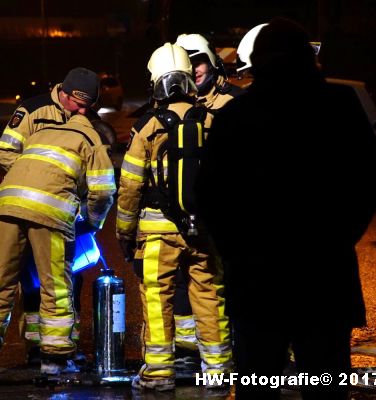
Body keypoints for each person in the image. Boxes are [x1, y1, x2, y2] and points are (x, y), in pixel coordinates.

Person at [195, 18, 376, 400]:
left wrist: (237, 254)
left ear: (259, 61)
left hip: (256, 282)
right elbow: (370, 185)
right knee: (326, 382)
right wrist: (338, 238)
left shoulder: (236, 115)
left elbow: (211, 197)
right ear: (307, 57)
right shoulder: (339, 105)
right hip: (324, 276)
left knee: (259, 383)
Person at [116, 43, 231, 391]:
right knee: (210, 294)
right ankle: (217, 371)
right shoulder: (212, 120)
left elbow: (130, 188)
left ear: (157, 83)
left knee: (157, 298)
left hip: (157, 232)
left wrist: (124, 234)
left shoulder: (147, 126)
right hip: (204, 229)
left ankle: (159, 373)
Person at [0, 95, 116, 377]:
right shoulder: (91, 139)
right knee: (56, 287)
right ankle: (54, 358)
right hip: (49, 216)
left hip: (6, 210)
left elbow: (8, 156)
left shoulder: (43, 132)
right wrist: (91, 222)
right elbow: (102, 192)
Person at [169, 32, 244, 370]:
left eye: (197, 60)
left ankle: (238, 354)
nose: (193, 69)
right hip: (184, 214)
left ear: (212, 62)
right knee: (185, 284)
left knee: (228, 283)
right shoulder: (172, 105)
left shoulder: (235, 103)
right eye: (187, 62)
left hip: (228, 212)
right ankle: (189, 351)